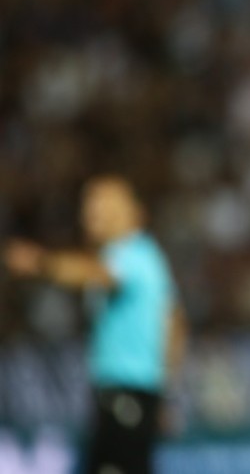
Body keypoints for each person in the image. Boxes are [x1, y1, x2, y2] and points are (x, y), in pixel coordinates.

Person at [3, 175, 185, 474]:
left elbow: (95, 273)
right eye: (89, 204)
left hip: (128, 392)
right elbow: (175, 321)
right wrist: (164, 391)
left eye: (102, 203)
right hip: (132, 394)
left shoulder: (132, 254)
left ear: (132, 212)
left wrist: (40, 262)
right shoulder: (149, 258)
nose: (90, 212)